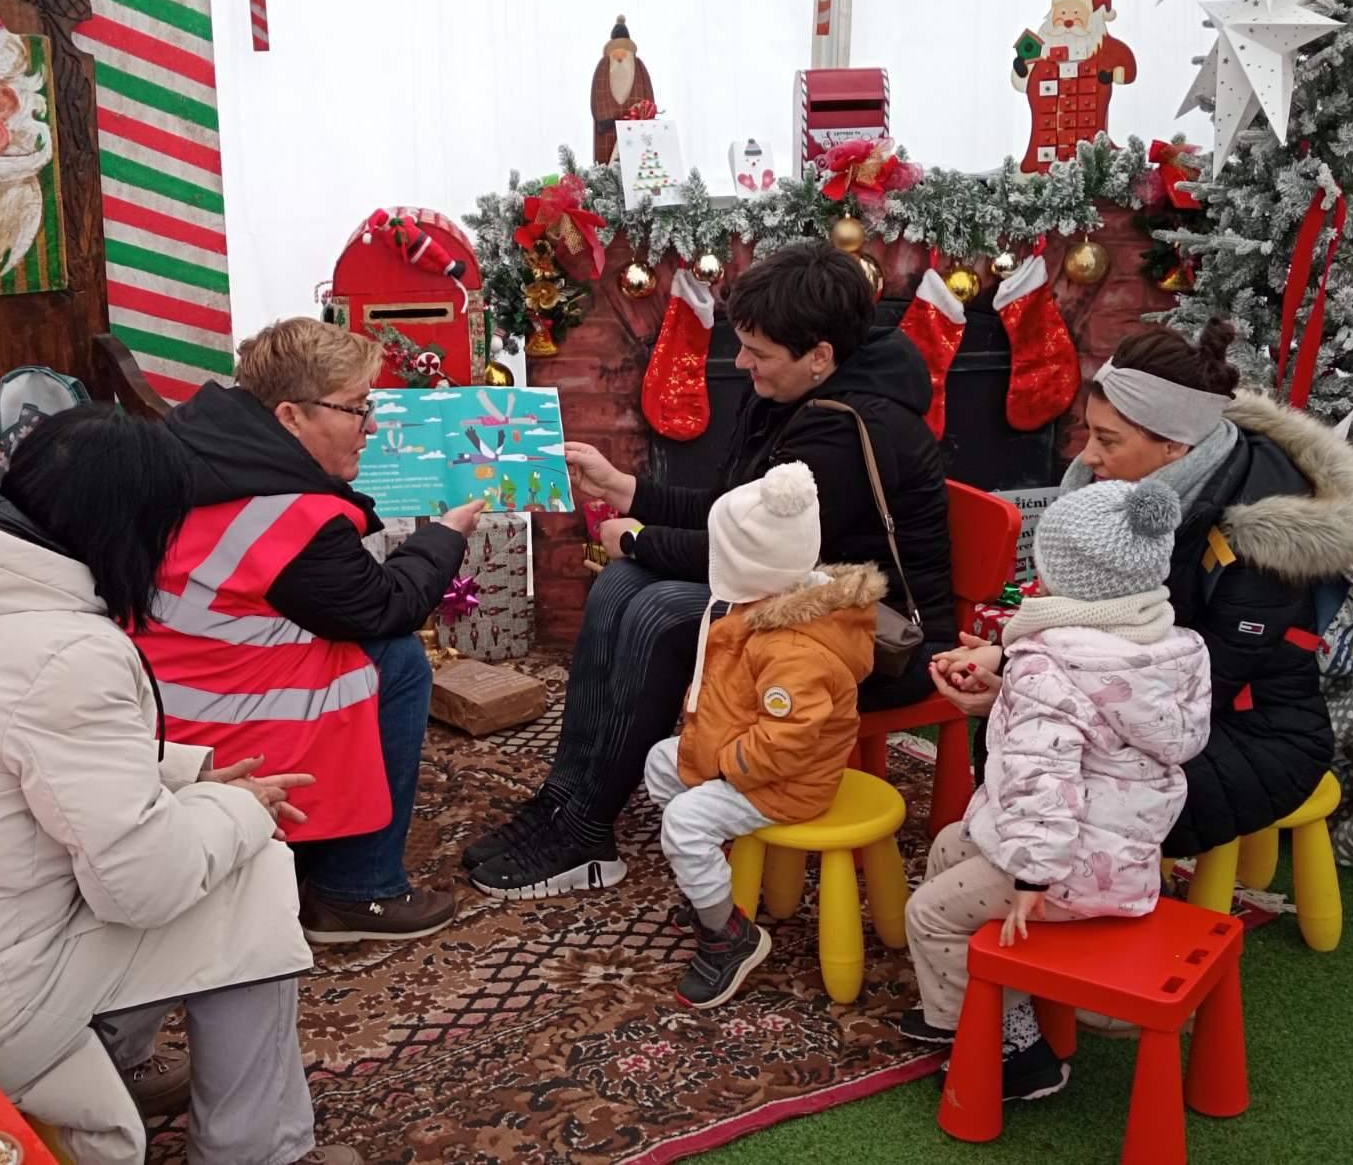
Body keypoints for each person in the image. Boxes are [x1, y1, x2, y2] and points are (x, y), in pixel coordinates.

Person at [0, 406, 359, 1165]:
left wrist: (188, 778)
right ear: (132, 530)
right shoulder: (65, 653)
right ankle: (255, 1150)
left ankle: (118, 1055)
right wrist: (239, 810)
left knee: (189, 837)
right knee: (248, 872)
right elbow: (142, 886)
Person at [465, 241, 952, 900]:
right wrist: (628, 490)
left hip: (863, 639)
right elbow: (732, 513)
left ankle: (584, 826)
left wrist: (638, 540)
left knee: (662, 611)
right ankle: (567, 801)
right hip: (794, 598)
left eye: (757, 352)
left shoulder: (849, 429)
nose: (741, 363)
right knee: (623, 585)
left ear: (819, 355)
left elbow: (749, 553)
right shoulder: (792, 394)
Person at [931, 320, 1353, 859]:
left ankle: (1060, 895)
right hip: (1144, 699)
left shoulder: (1260, 540)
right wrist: (1008, 660)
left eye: (1108, 440)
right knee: (1026, 744)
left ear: (1174, 446)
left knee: (1067, 779)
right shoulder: (1133, 493)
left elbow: (1197, 683)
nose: (1087, 456)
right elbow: (1098, 621)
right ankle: (1019, 880)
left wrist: (1030, 688)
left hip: (1245, 727)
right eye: (1089, 432)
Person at [142, 317, 485, 942]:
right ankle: (358, 888)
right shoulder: (291, 514)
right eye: (356, 408)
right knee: (396, 661)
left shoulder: (205, 452)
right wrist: (445, 537)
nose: (371, 426)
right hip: (206, 720)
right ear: (291, 416)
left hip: (163, 689)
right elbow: (387, 607)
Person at [904, 478, 1211, 1101]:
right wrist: (1007, 694)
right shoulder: (1173, 647)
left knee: (929, 914)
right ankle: (960, 1003)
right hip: (1118, 854)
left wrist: (1032, 878)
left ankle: (1009, 1052)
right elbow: (1096, 732)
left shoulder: (1047, 663)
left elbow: (1043, 779)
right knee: (949, 845)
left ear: (1060, 574)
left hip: (1062, 867)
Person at [643, 462, 884, 1009]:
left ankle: (728, 938)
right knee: (661, 762)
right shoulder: (767, 605)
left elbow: (788, 739)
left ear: (748, 564)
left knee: (684, 821)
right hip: (750, 753)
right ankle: (714, 882)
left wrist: (725, 763)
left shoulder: (794, 647)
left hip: (787, 782)